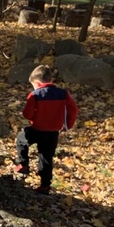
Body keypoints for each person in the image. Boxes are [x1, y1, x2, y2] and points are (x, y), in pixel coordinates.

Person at [13, 64, 78, 195]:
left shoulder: (35, 95)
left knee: (21, 139)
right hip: (53, 132)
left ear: (37, 82)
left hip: (37, 129)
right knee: (46, 157)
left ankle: (23, 163)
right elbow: (73, 110)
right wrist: (67, 125)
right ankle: (45, 185)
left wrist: (33, 116)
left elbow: (27, 114)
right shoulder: (63, 94)